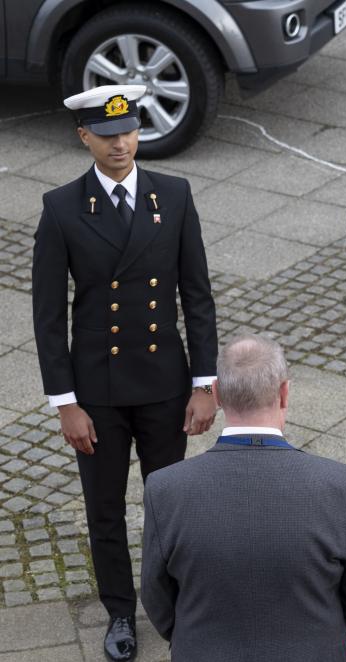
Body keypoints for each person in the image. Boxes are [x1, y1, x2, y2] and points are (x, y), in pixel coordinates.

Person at [32, 85, 217, 662]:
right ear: (83, 136)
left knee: (169, 505)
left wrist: (204, 385)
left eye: (130, 130)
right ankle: (119, 612)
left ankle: (176, 605)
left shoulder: (175, 194)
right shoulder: (62, 208)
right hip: (98, 394)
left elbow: (197, 296)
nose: (122, 143)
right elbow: (47, 316)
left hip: (164, 383)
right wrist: (66, 402)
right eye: (108, 134)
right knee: (104, 509)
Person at [141, 334, 346, 660]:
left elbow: (157, 598)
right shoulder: (336, 484)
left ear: (218, 395)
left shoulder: (165, 489)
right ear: (284, 393)